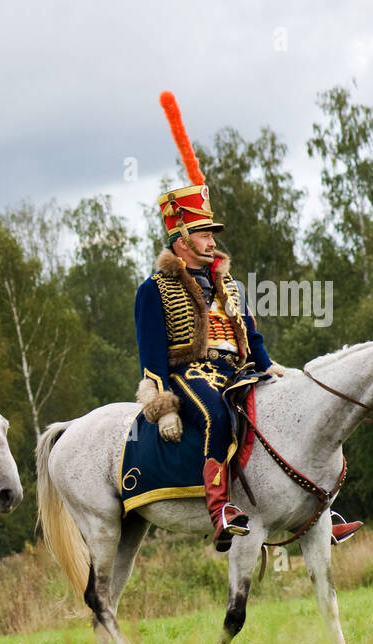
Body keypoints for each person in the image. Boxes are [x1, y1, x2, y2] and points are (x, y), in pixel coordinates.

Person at [135, 92, 359, 551]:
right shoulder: (154, 289)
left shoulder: (227, 284)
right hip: (189, 373)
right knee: (218, 417)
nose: (211, 241)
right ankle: (221, 508)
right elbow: (151, 354)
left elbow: (250, 334)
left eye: (212, 234)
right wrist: (160, 398)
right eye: (202, 233)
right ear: (180, 239)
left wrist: (268, 363)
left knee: (300, 407)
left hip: (239, 369)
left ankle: (321, 508)